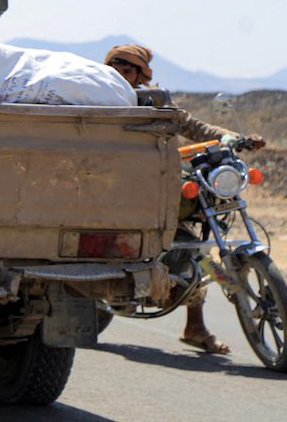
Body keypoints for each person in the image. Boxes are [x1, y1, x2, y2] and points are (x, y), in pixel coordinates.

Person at [104, 44, 266, 355]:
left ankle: (195, 326)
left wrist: (234, 138)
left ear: (141, 76)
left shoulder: (157, 103)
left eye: (128, 71)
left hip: (166, 188)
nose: (121, 77)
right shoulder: (95, 100)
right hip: (121, 194)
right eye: (117, 69)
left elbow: (195, 127)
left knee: (198, 249)